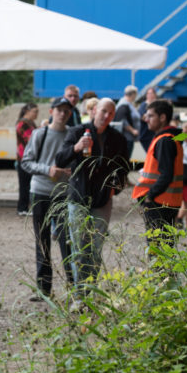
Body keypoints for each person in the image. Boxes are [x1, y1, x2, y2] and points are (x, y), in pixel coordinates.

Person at [55, 99, 129, 303]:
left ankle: (89, 293)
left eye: (111, 113)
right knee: (79, 248)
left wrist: (114, 189)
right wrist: (77, 147)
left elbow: (123, 169)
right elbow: (60, 159)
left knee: (95, 249)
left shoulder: (118, 138)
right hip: (78, 197)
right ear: (94, 110)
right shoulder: (78, 132)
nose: (106, 116)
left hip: (103, 199)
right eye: (104, 111)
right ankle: (79, 296)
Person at [21, 98, 74, 300]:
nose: (62, 114)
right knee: (42, 241)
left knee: (66, 241)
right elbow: (26, 162)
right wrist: (47, 169)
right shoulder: (39, 134)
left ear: (70, 114)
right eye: (59, 110)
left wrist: (72, 172)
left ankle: (74, 286)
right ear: (51, 111)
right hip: (41, 191)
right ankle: (44, 288)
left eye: (66, 111)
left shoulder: (72, 134)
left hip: (63, 193)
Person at [132, 100, 184, 246]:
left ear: (162, 118)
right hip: (167, 201)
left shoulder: (164, 141)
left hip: (159, 203)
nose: (146, 119)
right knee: (165, 248)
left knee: (157, 248)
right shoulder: (170, 138)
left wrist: (150, 196)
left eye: (150, 116)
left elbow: (166, 174)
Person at [16, 103, 39, 216]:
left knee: (28, 184)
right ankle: (22, 208)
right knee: (25, 185)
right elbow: (29, 138)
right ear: (27, 111)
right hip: (23, 158)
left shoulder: (30, 123)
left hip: (28, 157)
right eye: (35, 111)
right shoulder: (23, 124)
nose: (36, 114)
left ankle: (25, 207)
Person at [114, 85, 141, 159]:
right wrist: (133, 130)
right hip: (126, 137)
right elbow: (123, 120)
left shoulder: (128, 104)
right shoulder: (124, 105)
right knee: (125, 157)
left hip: (129, 137)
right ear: (133, 94)